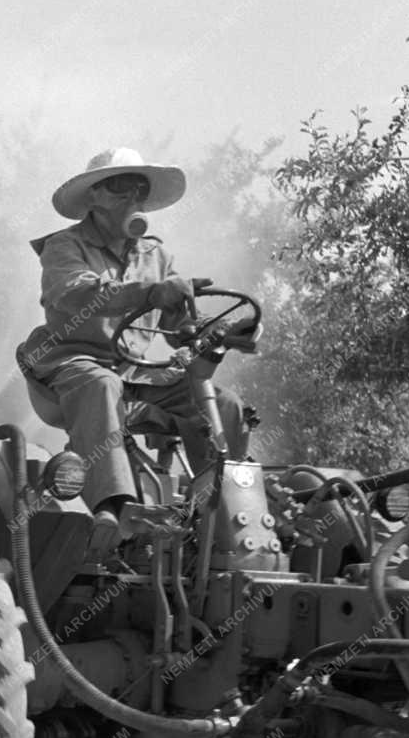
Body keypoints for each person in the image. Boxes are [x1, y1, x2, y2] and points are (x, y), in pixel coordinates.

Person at [17, 146, 249, 545]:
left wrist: (217, 332)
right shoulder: (64, 247)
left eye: (139, 190)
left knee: (223, 403)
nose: (132, 198)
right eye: (120, 187)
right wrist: (149, 292)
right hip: (69, 366)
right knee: (100, 384)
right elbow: (75, 295)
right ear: (94, 196)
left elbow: (180, 324)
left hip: (133, 373)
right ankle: (112, 510)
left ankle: (216, 513)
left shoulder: (155, 254)